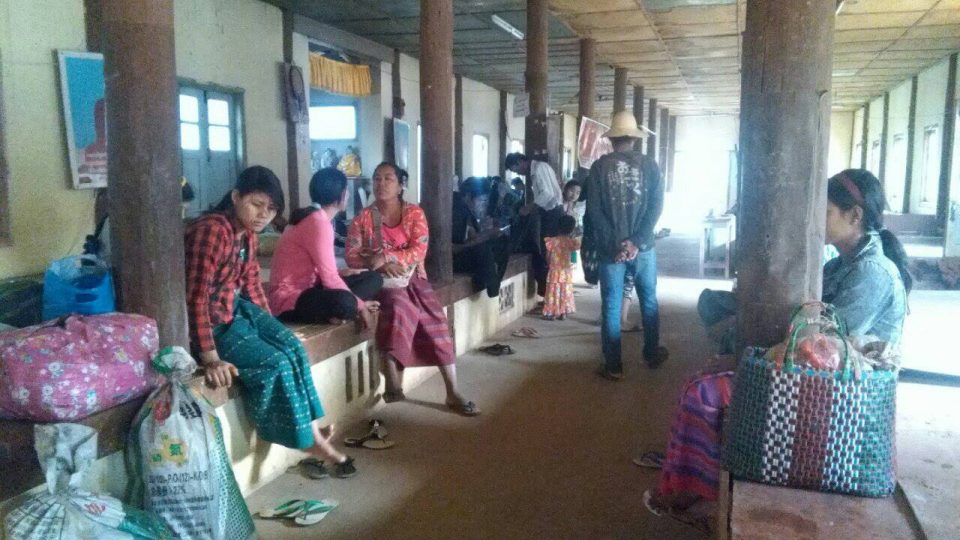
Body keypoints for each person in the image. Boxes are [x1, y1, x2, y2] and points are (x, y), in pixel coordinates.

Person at [644, 168, 910, 529]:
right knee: (709, 354)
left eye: (826, 212)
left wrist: (754, 358)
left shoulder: (873, 273)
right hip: (820, 373)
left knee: (704, 392)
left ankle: (702, 497)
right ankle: (691, 481)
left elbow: (825, 347)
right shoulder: (844, 263)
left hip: (842, 391)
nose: (818, 220)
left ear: (855, 215)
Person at [184, 166, 356, 477]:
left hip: (234, 309)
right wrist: (210, 357)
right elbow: (195, 298)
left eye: (271, 208)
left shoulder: (247, 235)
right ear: (236, 197)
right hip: (212, 322)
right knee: (274, 362)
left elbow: (251, 285)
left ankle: (312, 428)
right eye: (256, 204)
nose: (264, 215)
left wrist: (275, 331)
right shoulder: (212, 231)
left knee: (291, 346)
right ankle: (306, 440)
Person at [346, 162, 480, 417]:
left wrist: (387, 257)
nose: (381, 184)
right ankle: (393, 378)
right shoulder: (363, 217)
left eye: (388, 179)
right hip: (381, 283)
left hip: (414, 278)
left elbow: (419, 249)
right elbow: (352, 256)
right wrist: (377, 264)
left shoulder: (414, 214)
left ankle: (452, 391)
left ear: (400, 185)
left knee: (436, 321)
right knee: (398, 307)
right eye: (377, 179)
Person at [583, 111, 667, 381]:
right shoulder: (651, 166)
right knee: (649, 300)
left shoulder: (599, 168)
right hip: (644, 249)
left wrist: (617, 245)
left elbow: (594, 213)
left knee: (611, 304)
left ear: (612, 139)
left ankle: (614, 365)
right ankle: (651, 353)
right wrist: (636, 242)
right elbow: (655, 208)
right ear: (633, 138)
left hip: (611, 251)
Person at [268, 167, 383, 328]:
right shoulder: (318, 223)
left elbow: (322, 273)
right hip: (290, 299)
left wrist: (342, 273)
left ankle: (337, 312)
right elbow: (329, 280)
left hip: (312, 288)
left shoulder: (316, 218)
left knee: (373, 278)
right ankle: (342, 310)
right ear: (343, 195)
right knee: (346, 303)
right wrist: (361, 306)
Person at [505, 153, 564, 297]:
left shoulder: (538, 169)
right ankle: (552, 298)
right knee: (547, 253)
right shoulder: (538, 169)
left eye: (515, 169)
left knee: (549, 254)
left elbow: (547, 194)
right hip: (549, 212)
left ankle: (553, 298)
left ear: (520, 161)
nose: (518, 173)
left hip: (552, 214)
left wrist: (529, 208)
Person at [452, 177, 510, 298]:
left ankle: (492, 283)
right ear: (468, 196)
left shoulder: (467, 211)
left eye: (486, 202)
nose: (484, 205)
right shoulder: (456, 211)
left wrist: (486, 232)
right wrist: (486, 235)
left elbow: (471, 237)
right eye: (482, 201)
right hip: (451, 261)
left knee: (503, 242)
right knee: (483, 249)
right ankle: (490, 286)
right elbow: (453, 248)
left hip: (465, 254)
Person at [542, 215, 581, 321]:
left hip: (554, 271)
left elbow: (548, 256)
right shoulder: (571, 242)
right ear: (572, 229)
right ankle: (563, 313)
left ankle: (552, 313)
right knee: (564, 291)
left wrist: (549, 264)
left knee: (553, 291)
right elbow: (574, 253)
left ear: (558, 226)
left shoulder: (552, 241)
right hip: (566, 272)